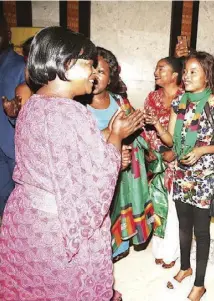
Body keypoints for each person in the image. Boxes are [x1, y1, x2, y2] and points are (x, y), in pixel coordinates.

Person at [0, 26, 145, 301]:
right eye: (89, 64)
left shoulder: (35, 103)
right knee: (66, 288)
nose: (94, 72)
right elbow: (95, 183)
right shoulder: (70, 112)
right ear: (66, 64)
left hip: (28, 218)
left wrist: (109, 137)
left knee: (33, 286)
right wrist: (116, 137)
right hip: (58, 229)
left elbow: (63, 154)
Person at [146, 51, 214, 301]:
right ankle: (185, 267)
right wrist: (157, 125)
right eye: (186, 71)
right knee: (182, 227)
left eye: (193, 72)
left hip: (203, 175)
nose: (187, 77)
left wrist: (202, 149)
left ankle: (199, 284)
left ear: (207, 75)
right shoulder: (180, 102)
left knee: (201, 232)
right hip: (181, 171)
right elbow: (169, 139)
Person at [86, 47, 154, 266]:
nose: (95, 76)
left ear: (111, 77)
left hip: (125, 172)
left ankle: (120, 248)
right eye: (91, 69)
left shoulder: (120, 102)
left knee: (123, 205)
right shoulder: (78, 107)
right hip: (94, 174)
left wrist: (136, 149)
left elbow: (138, 135)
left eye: (102, 72)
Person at [143, 56, 184, 268]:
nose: (156, 72)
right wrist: (156, 151)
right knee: (156, 206)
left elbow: (190, 134)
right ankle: (157, 248)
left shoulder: (186, 98)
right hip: (156, 162)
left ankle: (171, 252)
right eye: (156, 68)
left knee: (175, 209)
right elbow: (146, 130)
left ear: (175, 75)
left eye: (161, 69)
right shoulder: (152, 97)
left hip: (179, 164)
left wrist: (175, 152)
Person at [0, 14, 26, 218]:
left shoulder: (21, 66)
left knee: (16, 205)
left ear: (7, 34)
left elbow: (28, 112)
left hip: (13, 149)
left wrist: (15, 115)